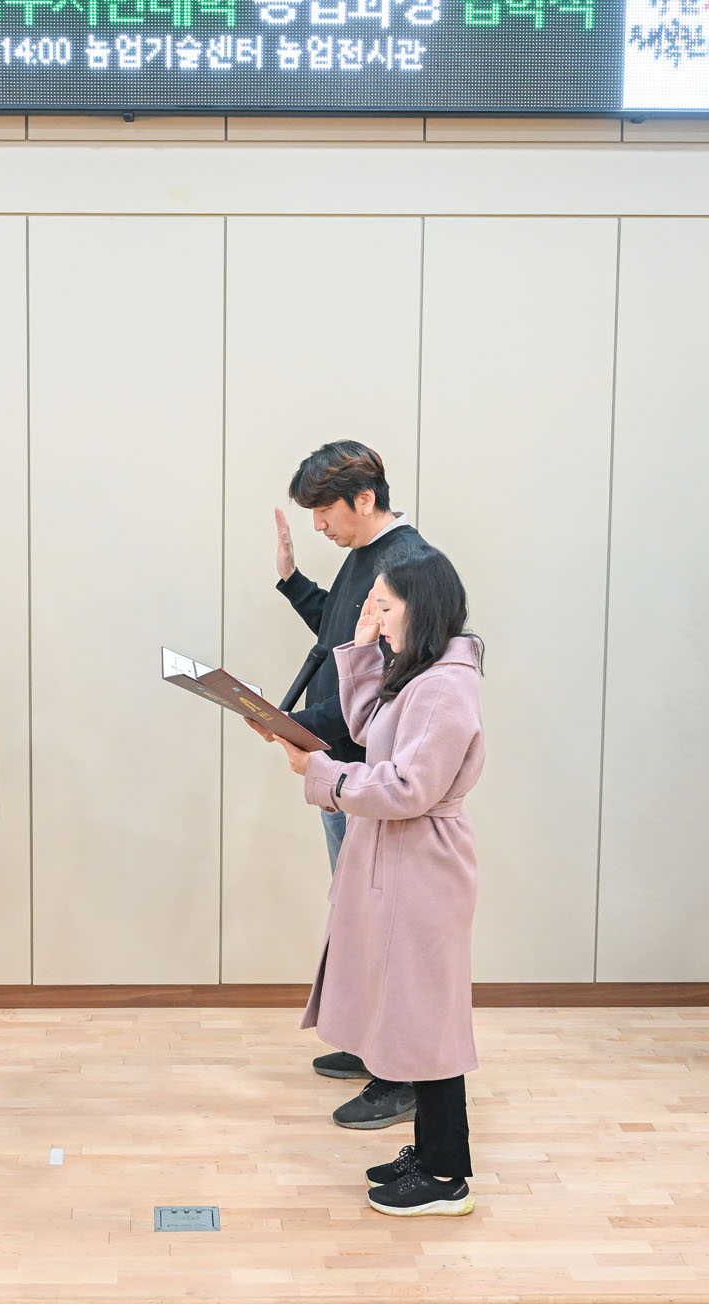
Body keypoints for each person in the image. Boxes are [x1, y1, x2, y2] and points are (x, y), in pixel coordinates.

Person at [261, 546, 485, 1217]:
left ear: (424, 608)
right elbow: (368, 729)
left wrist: (321, 774)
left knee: (428, 1015)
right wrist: (361, 649)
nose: (378, 617)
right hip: (401, 857)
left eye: (385, 606)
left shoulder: (444, 687)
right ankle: (432, 1152)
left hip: (424, 862)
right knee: (412, 1009)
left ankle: (446, 1177)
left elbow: (410, 786)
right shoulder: (421, 674)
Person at [274, 440, 425, 1130]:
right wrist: (292, 581)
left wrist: (298, 726)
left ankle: (403, 1075)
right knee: (360, 916)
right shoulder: (365, 557)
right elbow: (344, 640)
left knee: (384, 922)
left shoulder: (408, 566)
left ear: (364, 500)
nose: (317, 526)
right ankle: (373, 1046)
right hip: (341, 768)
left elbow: (386, 686)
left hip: (372, 777)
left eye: (324, 512)